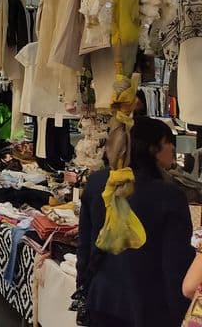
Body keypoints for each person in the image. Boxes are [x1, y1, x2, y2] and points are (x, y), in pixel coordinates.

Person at [77, 116, 194, 327]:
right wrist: (181, 316)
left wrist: (84, 287)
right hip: (148, 307)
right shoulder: (169, 196)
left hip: (102, 298)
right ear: (153, 148)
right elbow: (175, 265)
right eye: (168, 141)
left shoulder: (97, 182)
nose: (172, 148)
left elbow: (84, 247)